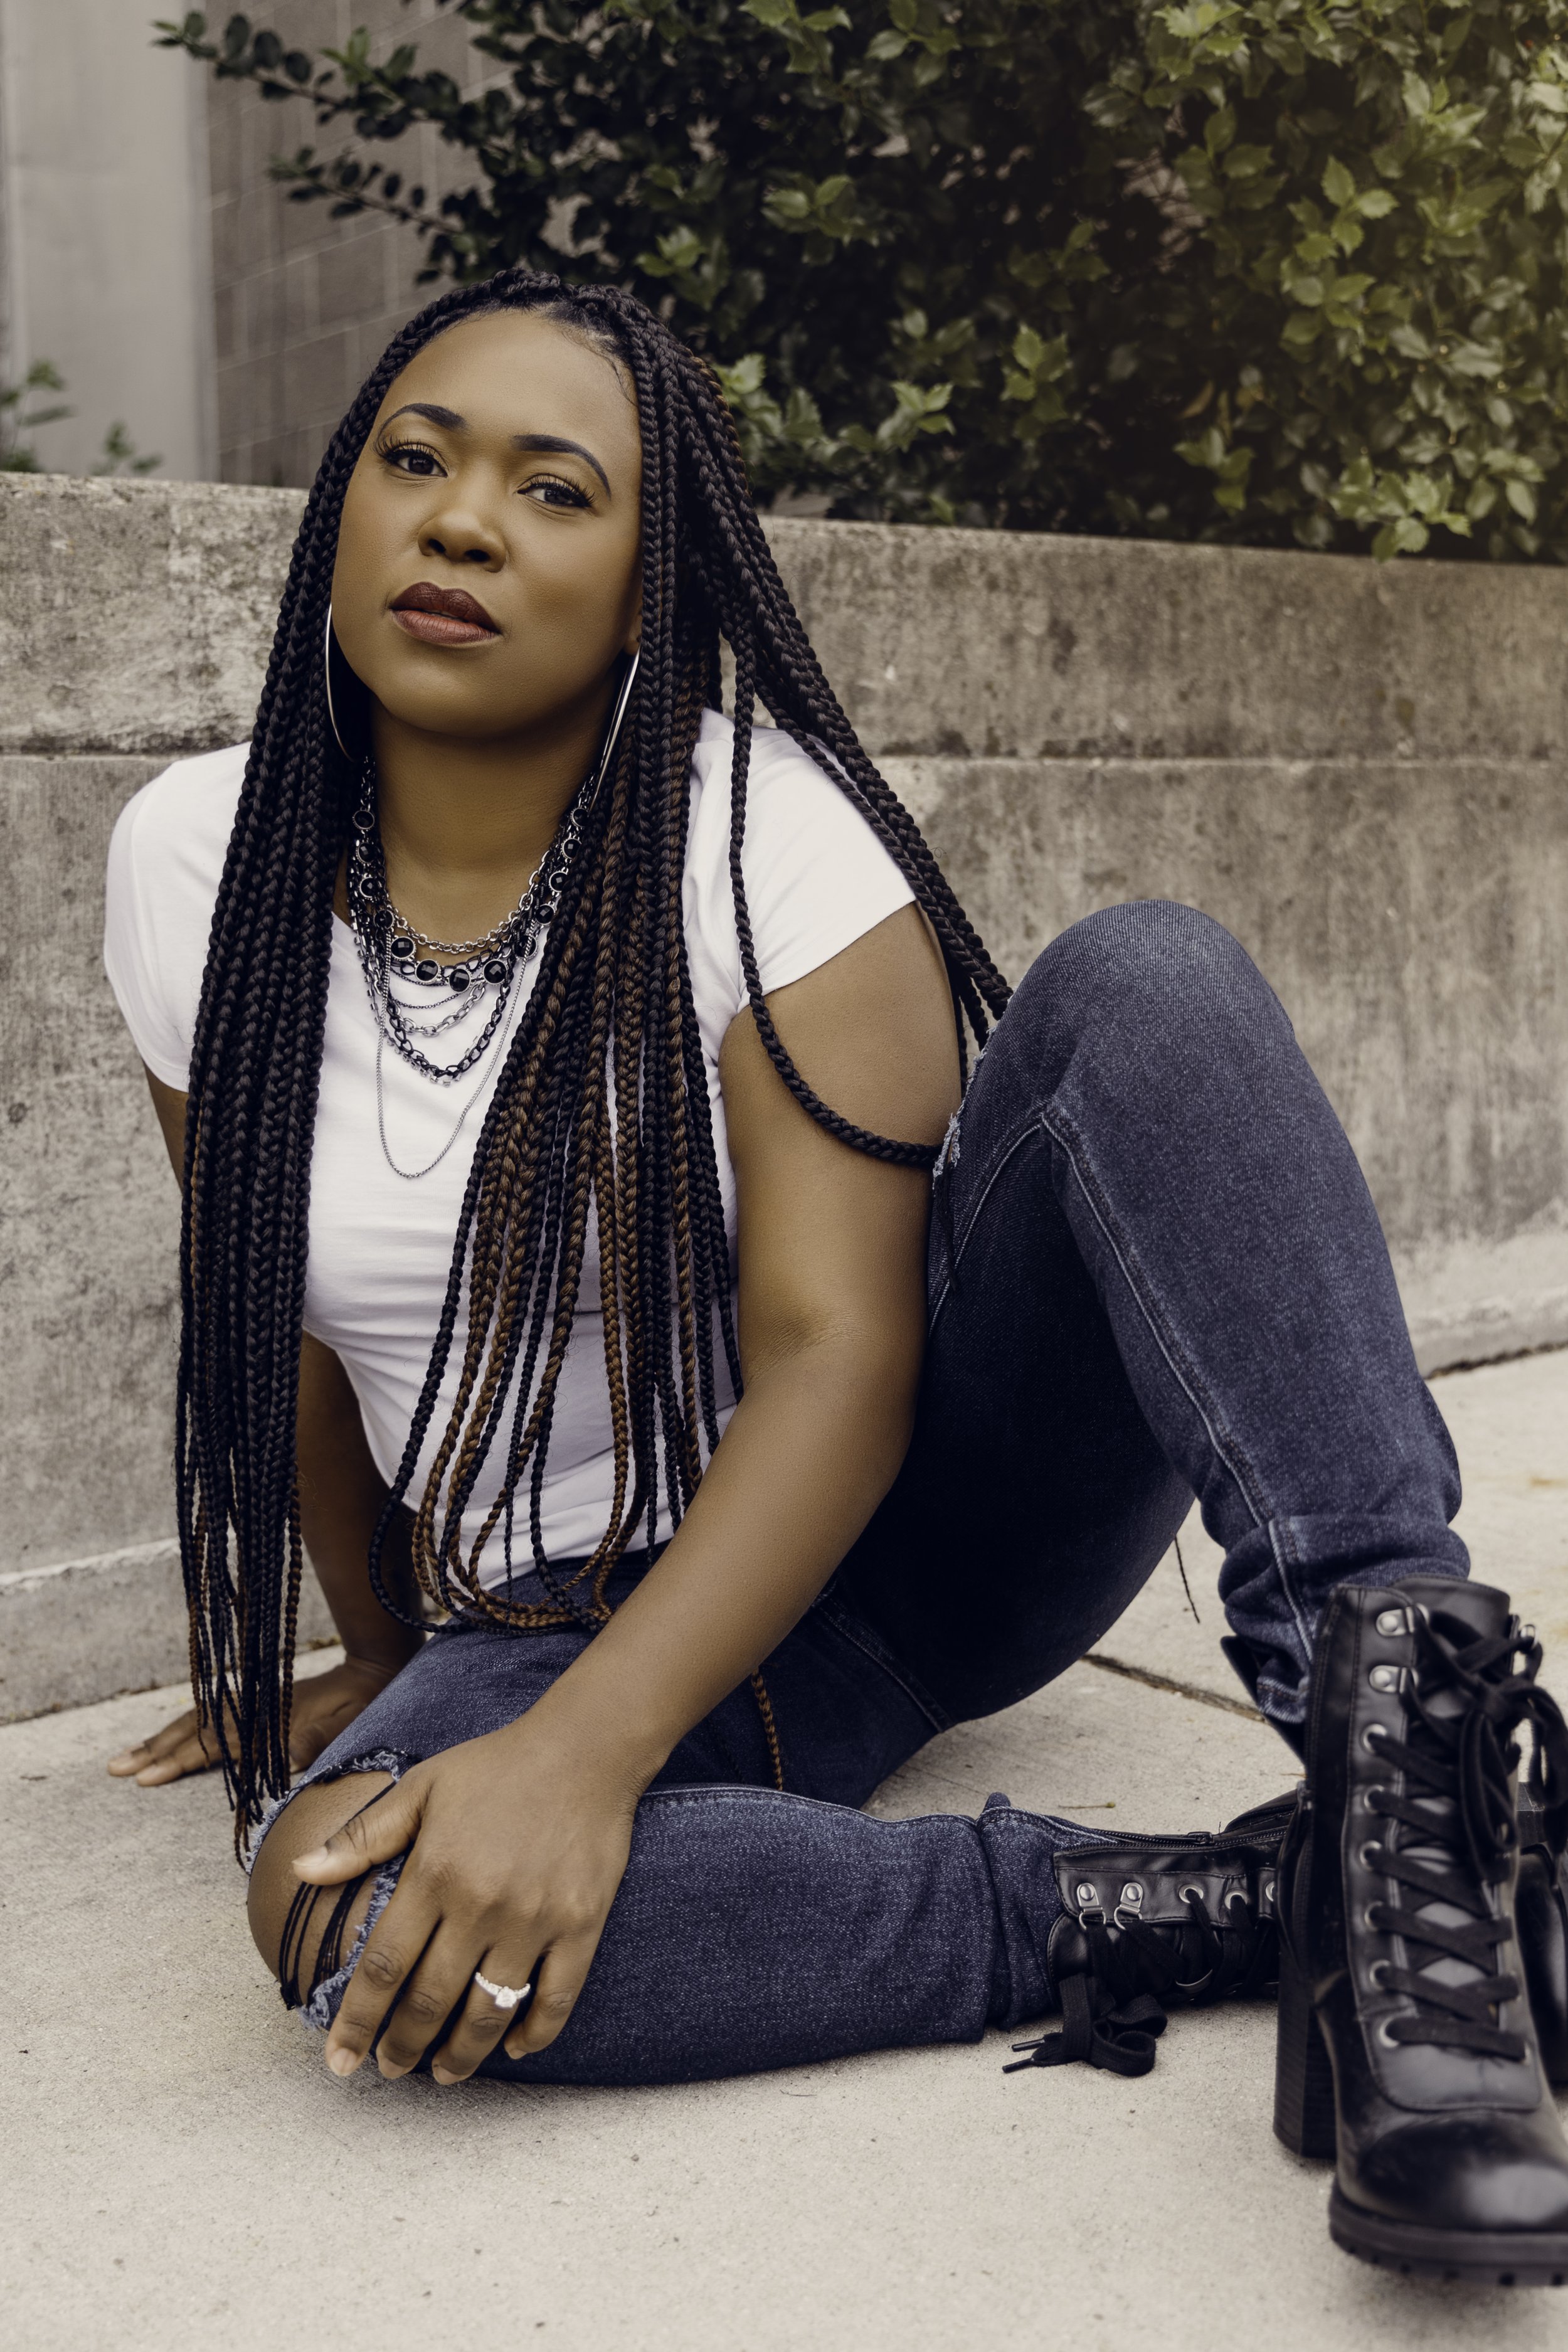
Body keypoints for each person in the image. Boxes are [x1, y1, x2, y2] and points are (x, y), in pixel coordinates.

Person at [102, 269, 1568, 2286]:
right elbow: (268, 1317)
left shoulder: (766, 842)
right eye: (416, 460)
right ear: (342, 504)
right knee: (334, 1902)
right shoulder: (198, 864)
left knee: (1146, 983)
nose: (459, 522)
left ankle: (1408, 1796)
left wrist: (583, 1762)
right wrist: (392, 1663)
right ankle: (1218, 1910)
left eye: (554, 489)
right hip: (548, 1598)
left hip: (913, 1542)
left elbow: (838, 1359)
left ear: (651, 583)